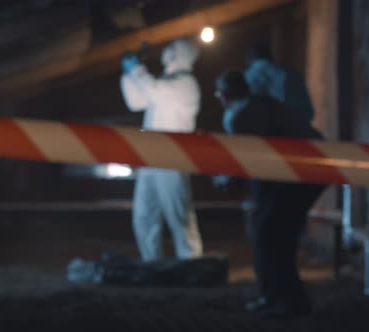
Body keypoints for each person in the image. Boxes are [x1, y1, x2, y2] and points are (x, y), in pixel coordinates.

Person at [214, 70, 326, 319]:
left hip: (298, 175)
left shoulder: (244, 114)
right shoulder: (256, 107)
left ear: (225, 94)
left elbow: (249, 156)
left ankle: (283, 299)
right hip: (300, 173)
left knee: (271, 235)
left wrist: (230, 180)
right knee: (273, 234)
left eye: (219, 93)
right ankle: (282, 298)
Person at [120, 39, 203, 262]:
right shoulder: (166, 81)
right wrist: (129, 74)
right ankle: (151, 262)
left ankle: (191, 262)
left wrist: (135, 69)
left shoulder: (186, 83)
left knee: (179, 216)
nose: (167, 51)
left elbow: (153, 91)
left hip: (173, 159)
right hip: (151, 160)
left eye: (172, 49)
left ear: (181, 55)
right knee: (144, 215)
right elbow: (136, 102)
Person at [244, 42, 315, 126]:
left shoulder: (248, 77)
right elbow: (309, 112)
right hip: (298, 129)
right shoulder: (291, 75)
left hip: (271, 133)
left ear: (250, 58)